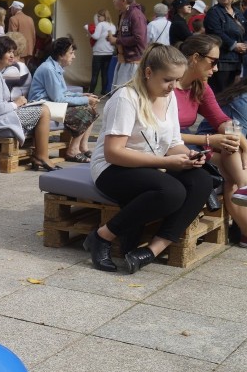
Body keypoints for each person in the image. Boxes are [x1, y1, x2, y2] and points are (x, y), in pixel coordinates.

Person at [85, 44, 212, 274]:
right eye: (168, 80)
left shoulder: (169, 96)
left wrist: (188, 155)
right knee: (172, 191)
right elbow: (113, 152)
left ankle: (153, 249)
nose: (173, 86)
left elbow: (173, 143)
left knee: (201, 180)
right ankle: (101, 236)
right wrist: (167, 163)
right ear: (148, 72)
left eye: (177, 80)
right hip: (112, 168)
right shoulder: (126, 97)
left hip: (148, 165)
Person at [176, 34, 247, 250]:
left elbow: (223, 121)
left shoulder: (201, 87)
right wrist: (211, 139)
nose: (216, 69)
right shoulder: (170, 87)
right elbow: (161, 134)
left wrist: (243, 145)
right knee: (230, 162)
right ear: (195, 58)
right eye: (214, 62)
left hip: (194, 145)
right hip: (173, 146)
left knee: (230, 147)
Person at [201, 49, 247, 236]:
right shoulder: (245, 98)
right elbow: (235, 137)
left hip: (231, 147)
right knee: (233, 178)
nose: (214, 68)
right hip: (214, 149)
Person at [0, 36, 59, 171]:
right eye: (8, 52)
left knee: (41, 109)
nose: (12, 56)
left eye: (13, 52)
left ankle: (39, 155)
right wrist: (16, 104)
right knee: (44, 111)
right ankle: (41, 156)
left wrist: (17, 104)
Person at [29, 36, 100, 162]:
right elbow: (59, 98)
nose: (74, 56)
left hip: (51, 104)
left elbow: (63, 92)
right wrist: (86, 100)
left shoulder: (55, 67)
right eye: (71, 53)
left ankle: (82, 147)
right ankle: (72, 151)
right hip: (42, 107)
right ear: (61, 55)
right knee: (87, 111)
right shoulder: (49, 69)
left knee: (91, 108)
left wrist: (83, 96)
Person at [204, 0, 247, 95]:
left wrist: (246, 44)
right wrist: (234, 45)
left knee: (232, 93)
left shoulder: (238, 12)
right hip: (222, 60)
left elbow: (246, 31)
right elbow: (216, 33)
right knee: (220, 93)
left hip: (238, 60)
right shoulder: (214, 12)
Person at [108, 0, 148, 89]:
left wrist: (117, 40)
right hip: (124, 60)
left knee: (127, 93)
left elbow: (139, 38)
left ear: (123, 0)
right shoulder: (124, 14)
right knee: (119, 91)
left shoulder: (136, 15)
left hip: (133, 62)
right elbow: (126, 33)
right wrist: (114, 37)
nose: (113, 1)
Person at [86, 9, 116, 95]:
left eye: (99, 16)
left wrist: (88, 30)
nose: (98, 18)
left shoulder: (101, 25)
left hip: (98, 52)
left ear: (104, 16)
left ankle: (90, 93)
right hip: (109, 52)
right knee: (105, 73)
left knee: (95, 74)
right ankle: (104, 92)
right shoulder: (112, 25)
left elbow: (95, 36)